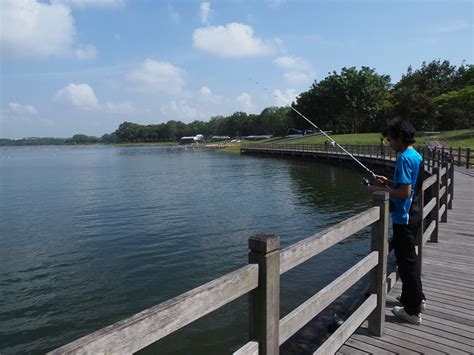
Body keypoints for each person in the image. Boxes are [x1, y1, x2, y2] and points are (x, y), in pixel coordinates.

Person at [367, 119, 426, 325]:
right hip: (416, 214)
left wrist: (377, 190)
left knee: (406, 264)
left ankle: (412, 311)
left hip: (405, 218)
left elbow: (403, 193)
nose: (390, 143)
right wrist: (389, 182)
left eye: (391, 139)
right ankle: (418, 298)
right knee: (410, 261)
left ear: (400, 138)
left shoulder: (403, 158)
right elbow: (405, 186)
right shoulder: (416, 155)